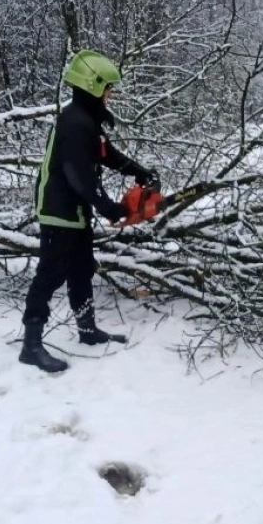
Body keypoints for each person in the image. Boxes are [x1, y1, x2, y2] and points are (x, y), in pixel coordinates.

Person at [19, 49, 157, 373]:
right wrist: (110, 208)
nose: (111, 94)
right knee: (49, 276)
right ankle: (31, 345)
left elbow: (106, 154)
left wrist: (140, 172)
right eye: (108, 87)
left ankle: (87, 330)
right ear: (93, 86)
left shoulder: (86, 121)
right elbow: (76, 174)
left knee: (81, 269)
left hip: (76, 210)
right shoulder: (73, 123)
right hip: (58, 210)